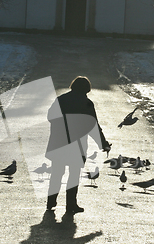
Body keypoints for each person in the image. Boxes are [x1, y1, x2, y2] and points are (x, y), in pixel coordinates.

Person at [45, 76, 111, 214]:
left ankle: (51, 202)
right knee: (74, 174)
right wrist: (103, 143)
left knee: (57, 173)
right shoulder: (87, 103)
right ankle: (71, 205)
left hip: (59, 142)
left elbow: (50, 117)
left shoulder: (61, 99)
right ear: (86, 89)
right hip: (77, 145)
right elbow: (94, 126)